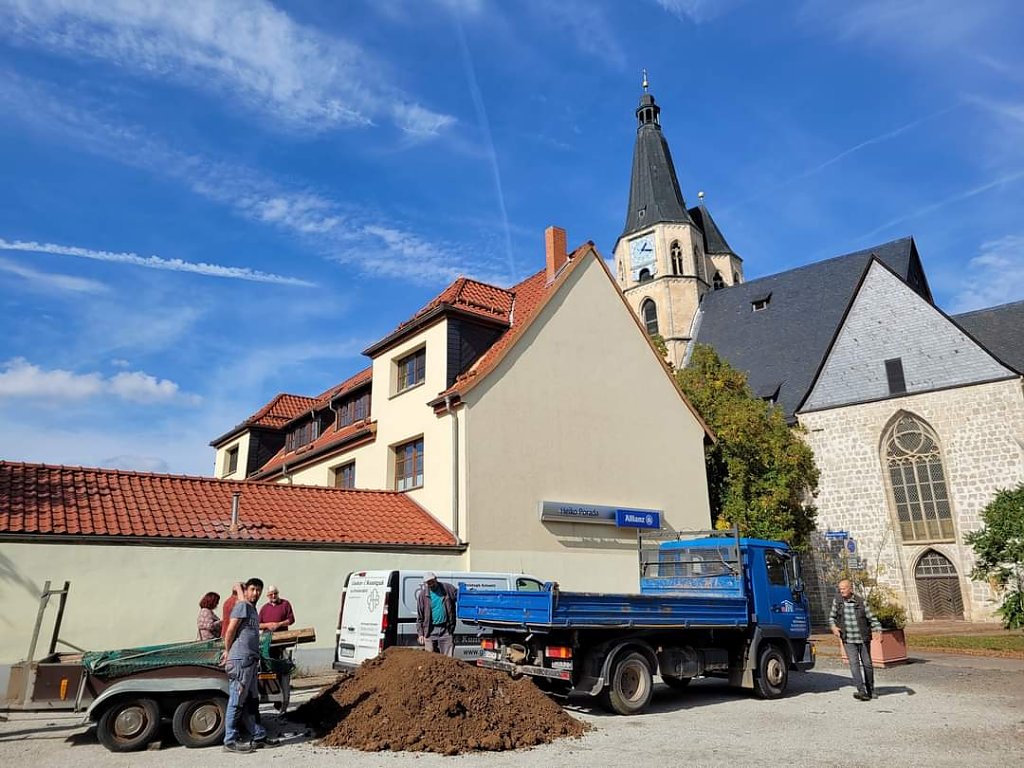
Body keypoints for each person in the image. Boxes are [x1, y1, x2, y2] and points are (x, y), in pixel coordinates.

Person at [221, 577, 269, 753]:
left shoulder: (252, 609)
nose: (256, 593)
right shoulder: (242, 606)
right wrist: (227, 651)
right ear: (246, 591)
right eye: (253, 589)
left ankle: (259, 736)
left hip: (251, 661)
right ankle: (230, 741)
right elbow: (230, 630)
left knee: (252, 700)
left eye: (259, 590)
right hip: (240, 661)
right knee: (236, 701)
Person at [829, 578, 883, 701]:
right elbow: (832, 617)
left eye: (844, 588)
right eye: (840, 589)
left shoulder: (861, 602)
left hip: (863, 638)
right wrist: (833, 627)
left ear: (850, 589)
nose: (841, 591)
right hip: (848, 639)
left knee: (867, 664)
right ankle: (861, 691)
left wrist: (878, 630)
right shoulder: (837, 601)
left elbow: (872, 618)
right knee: (854, 664)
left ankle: (871, 689)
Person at [416, 572, 458, 656]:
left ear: (436, 579)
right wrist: (420, 634)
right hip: (430, 630)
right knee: (430, 657)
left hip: (446, 629)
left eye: (432, 581)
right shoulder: (422, 595)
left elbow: (460, 597)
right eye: (428, 583)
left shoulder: (447, 588)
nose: (431, 584)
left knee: (448, 658)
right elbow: (420, 617)